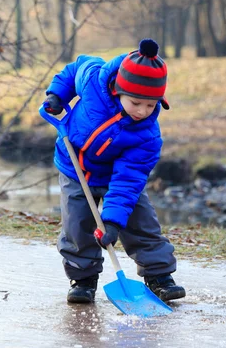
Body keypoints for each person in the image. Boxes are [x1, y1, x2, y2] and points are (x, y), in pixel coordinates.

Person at [43, 38, 186, 304]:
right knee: (77, 225)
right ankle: (83, 280)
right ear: (118, 90)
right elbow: (73, 70)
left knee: (141, 222)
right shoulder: (94, 79)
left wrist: (112, 222)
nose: (143, 111)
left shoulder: (147, 136)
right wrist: (57, 94)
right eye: (136, 103)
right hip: (75, 167)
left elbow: (128, 180)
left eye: (151, 105)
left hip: (115, 178)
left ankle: (159, 276)